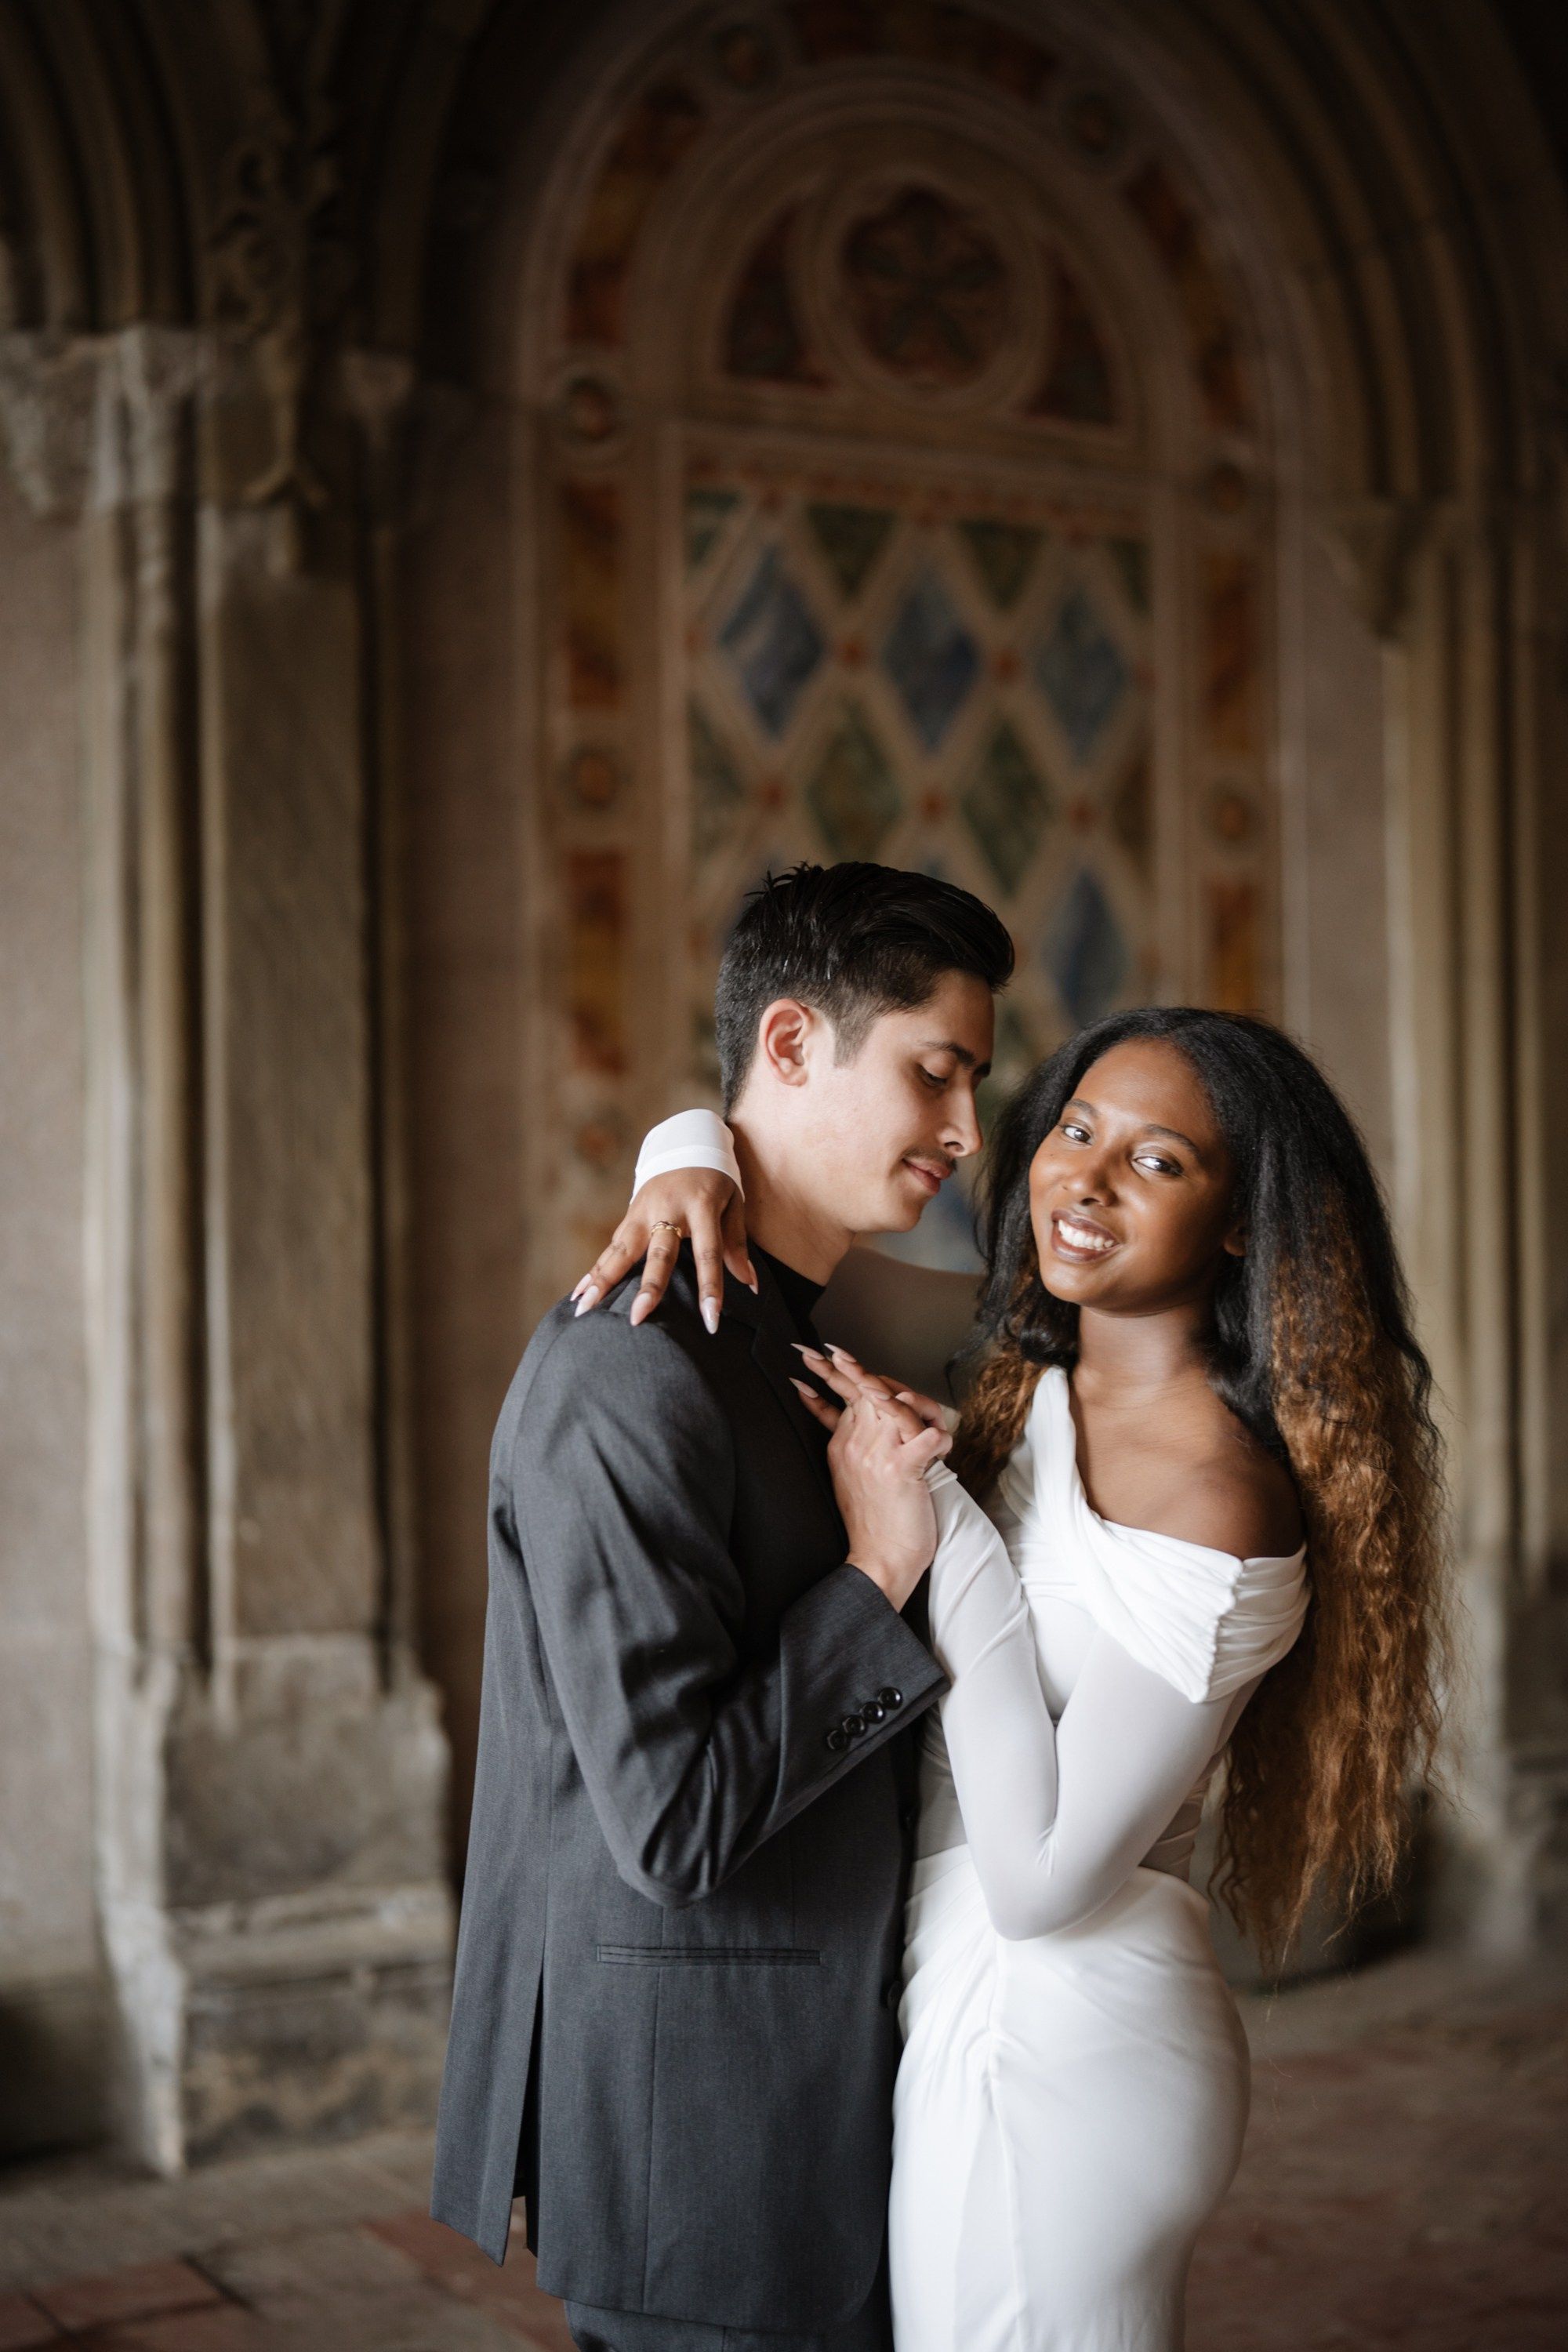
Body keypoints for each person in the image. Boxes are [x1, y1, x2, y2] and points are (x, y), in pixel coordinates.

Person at [590, 1005, 1448, 2350]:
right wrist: (678, 1153)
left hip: (1062, 2041)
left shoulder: (1217, 1497)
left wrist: (951, 1536)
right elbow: (774, 1249)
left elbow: (1042, 1880)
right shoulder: (1023, 1371)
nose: (1088, 1179)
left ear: (1239, 1224)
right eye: (1077, 1130)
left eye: (1159, 1162)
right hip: (971, 2011)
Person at [430, 862, 1016, 2352]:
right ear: (795, 1044)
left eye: (977, 1083)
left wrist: (685, 1144)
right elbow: (671, 1820)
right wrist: (878, 1573)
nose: (964, 1132)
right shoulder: (625, 1370)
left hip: (822, 2115)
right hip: (702, 2153)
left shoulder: (797, 1324)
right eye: (934, 1073)